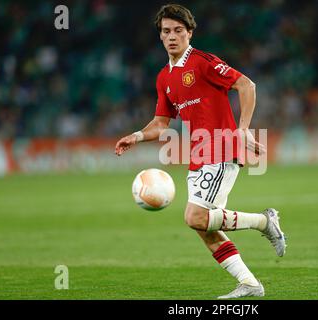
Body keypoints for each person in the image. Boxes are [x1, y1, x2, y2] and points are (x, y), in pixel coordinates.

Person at [115, 4, 287, 299]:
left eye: (178, 31)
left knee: (195, 217)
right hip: (197, 157)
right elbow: (161, 123)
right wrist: (137, 136)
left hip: (221, 148)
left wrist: (243, 128)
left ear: (189, 33)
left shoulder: (203, 62)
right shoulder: (164, 78)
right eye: (166, 31)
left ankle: (264, 221)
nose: (172, 37)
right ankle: (249, 283)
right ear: (160, 36)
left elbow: (246, 85)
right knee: (205, 228)